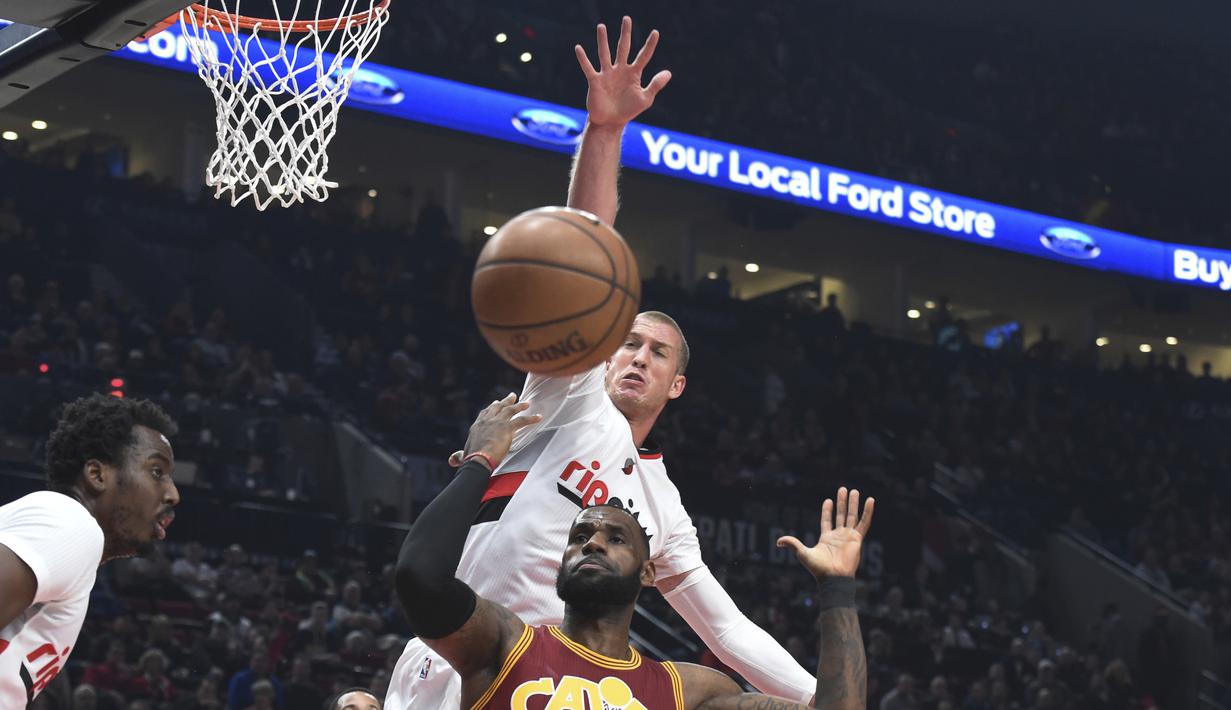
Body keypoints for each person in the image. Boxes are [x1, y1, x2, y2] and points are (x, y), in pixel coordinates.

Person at [387, 17, 823, 708]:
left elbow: (728, 630)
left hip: (551, 682)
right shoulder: (570, 387)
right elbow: (587, 250)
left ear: (676, 383)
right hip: (462, 647)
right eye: (626, 341)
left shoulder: (662, 508)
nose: (635, 356)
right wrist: (605, 132)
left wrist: (829, 698)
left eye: (656, 351)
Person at [396, 395, 871, 709]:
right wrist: (479, 463)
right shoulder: (503, 645)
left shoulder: (683, 691)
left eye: (615, 537)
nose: (594, 542)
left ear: (649, 573)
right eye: (578, 537)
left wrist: (837, 592)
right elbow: (419, 577)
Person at [0, 393, 180, 707]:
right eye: (156, 472)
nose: (173, 494)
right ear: (97, 475)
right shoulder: (72, 523)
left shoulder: (62, 532)